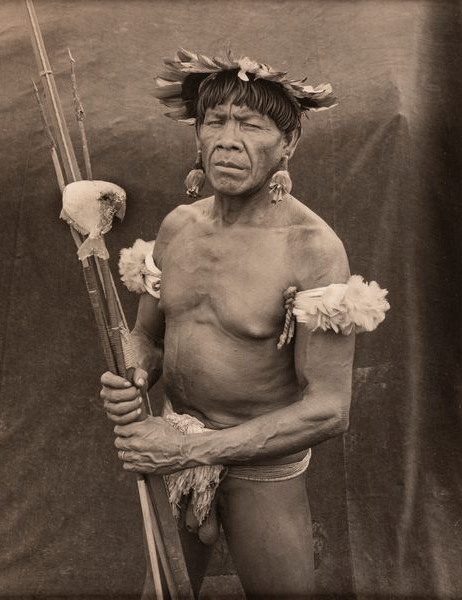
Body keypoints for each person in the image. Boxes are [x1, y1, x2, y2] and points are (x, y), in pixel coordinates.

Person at [99, 49, 389, 598]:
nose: (227, 140)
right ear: (198, 134)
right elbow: (149, 338)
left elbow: (330, 408)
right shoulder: (178, 227)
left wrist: (189, 451)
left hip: (260, 466)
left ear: (288, 144)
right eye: (215, 122)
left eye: (250, 125)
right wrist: (133, 371)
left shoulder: (312, 250)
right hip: (176, 438)